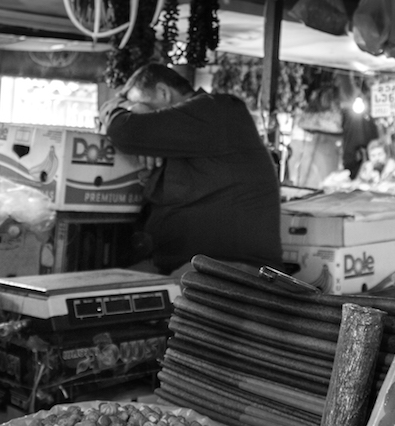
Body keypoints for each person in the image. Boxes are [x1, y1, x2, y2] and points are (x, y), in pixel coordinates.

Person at [99, 63, 283, 275]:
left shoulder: (218, 111)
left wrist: (120, 108)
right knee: (104, 283)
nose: (137, 115)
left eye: (140, 107)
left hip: (234, 271)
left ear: (163, 92)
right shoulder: (186, 137)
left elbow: (125, 130)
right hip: (186, 265)